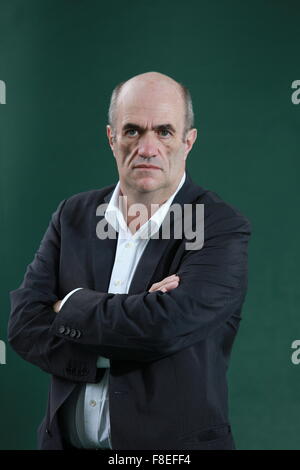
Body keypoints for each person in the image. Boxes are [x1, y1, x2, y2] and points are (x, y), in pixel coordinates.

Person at [8, 71, 251, 450]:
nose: (148, 147)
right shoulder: (73, 215)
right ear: (112, 138)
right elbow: (23, 325)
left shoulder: (219, 226)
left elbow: (164, 327)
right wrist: (134, 323)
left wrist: (67, 305)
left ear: (189, 141)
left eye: (165, 132)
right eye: (133, 130)